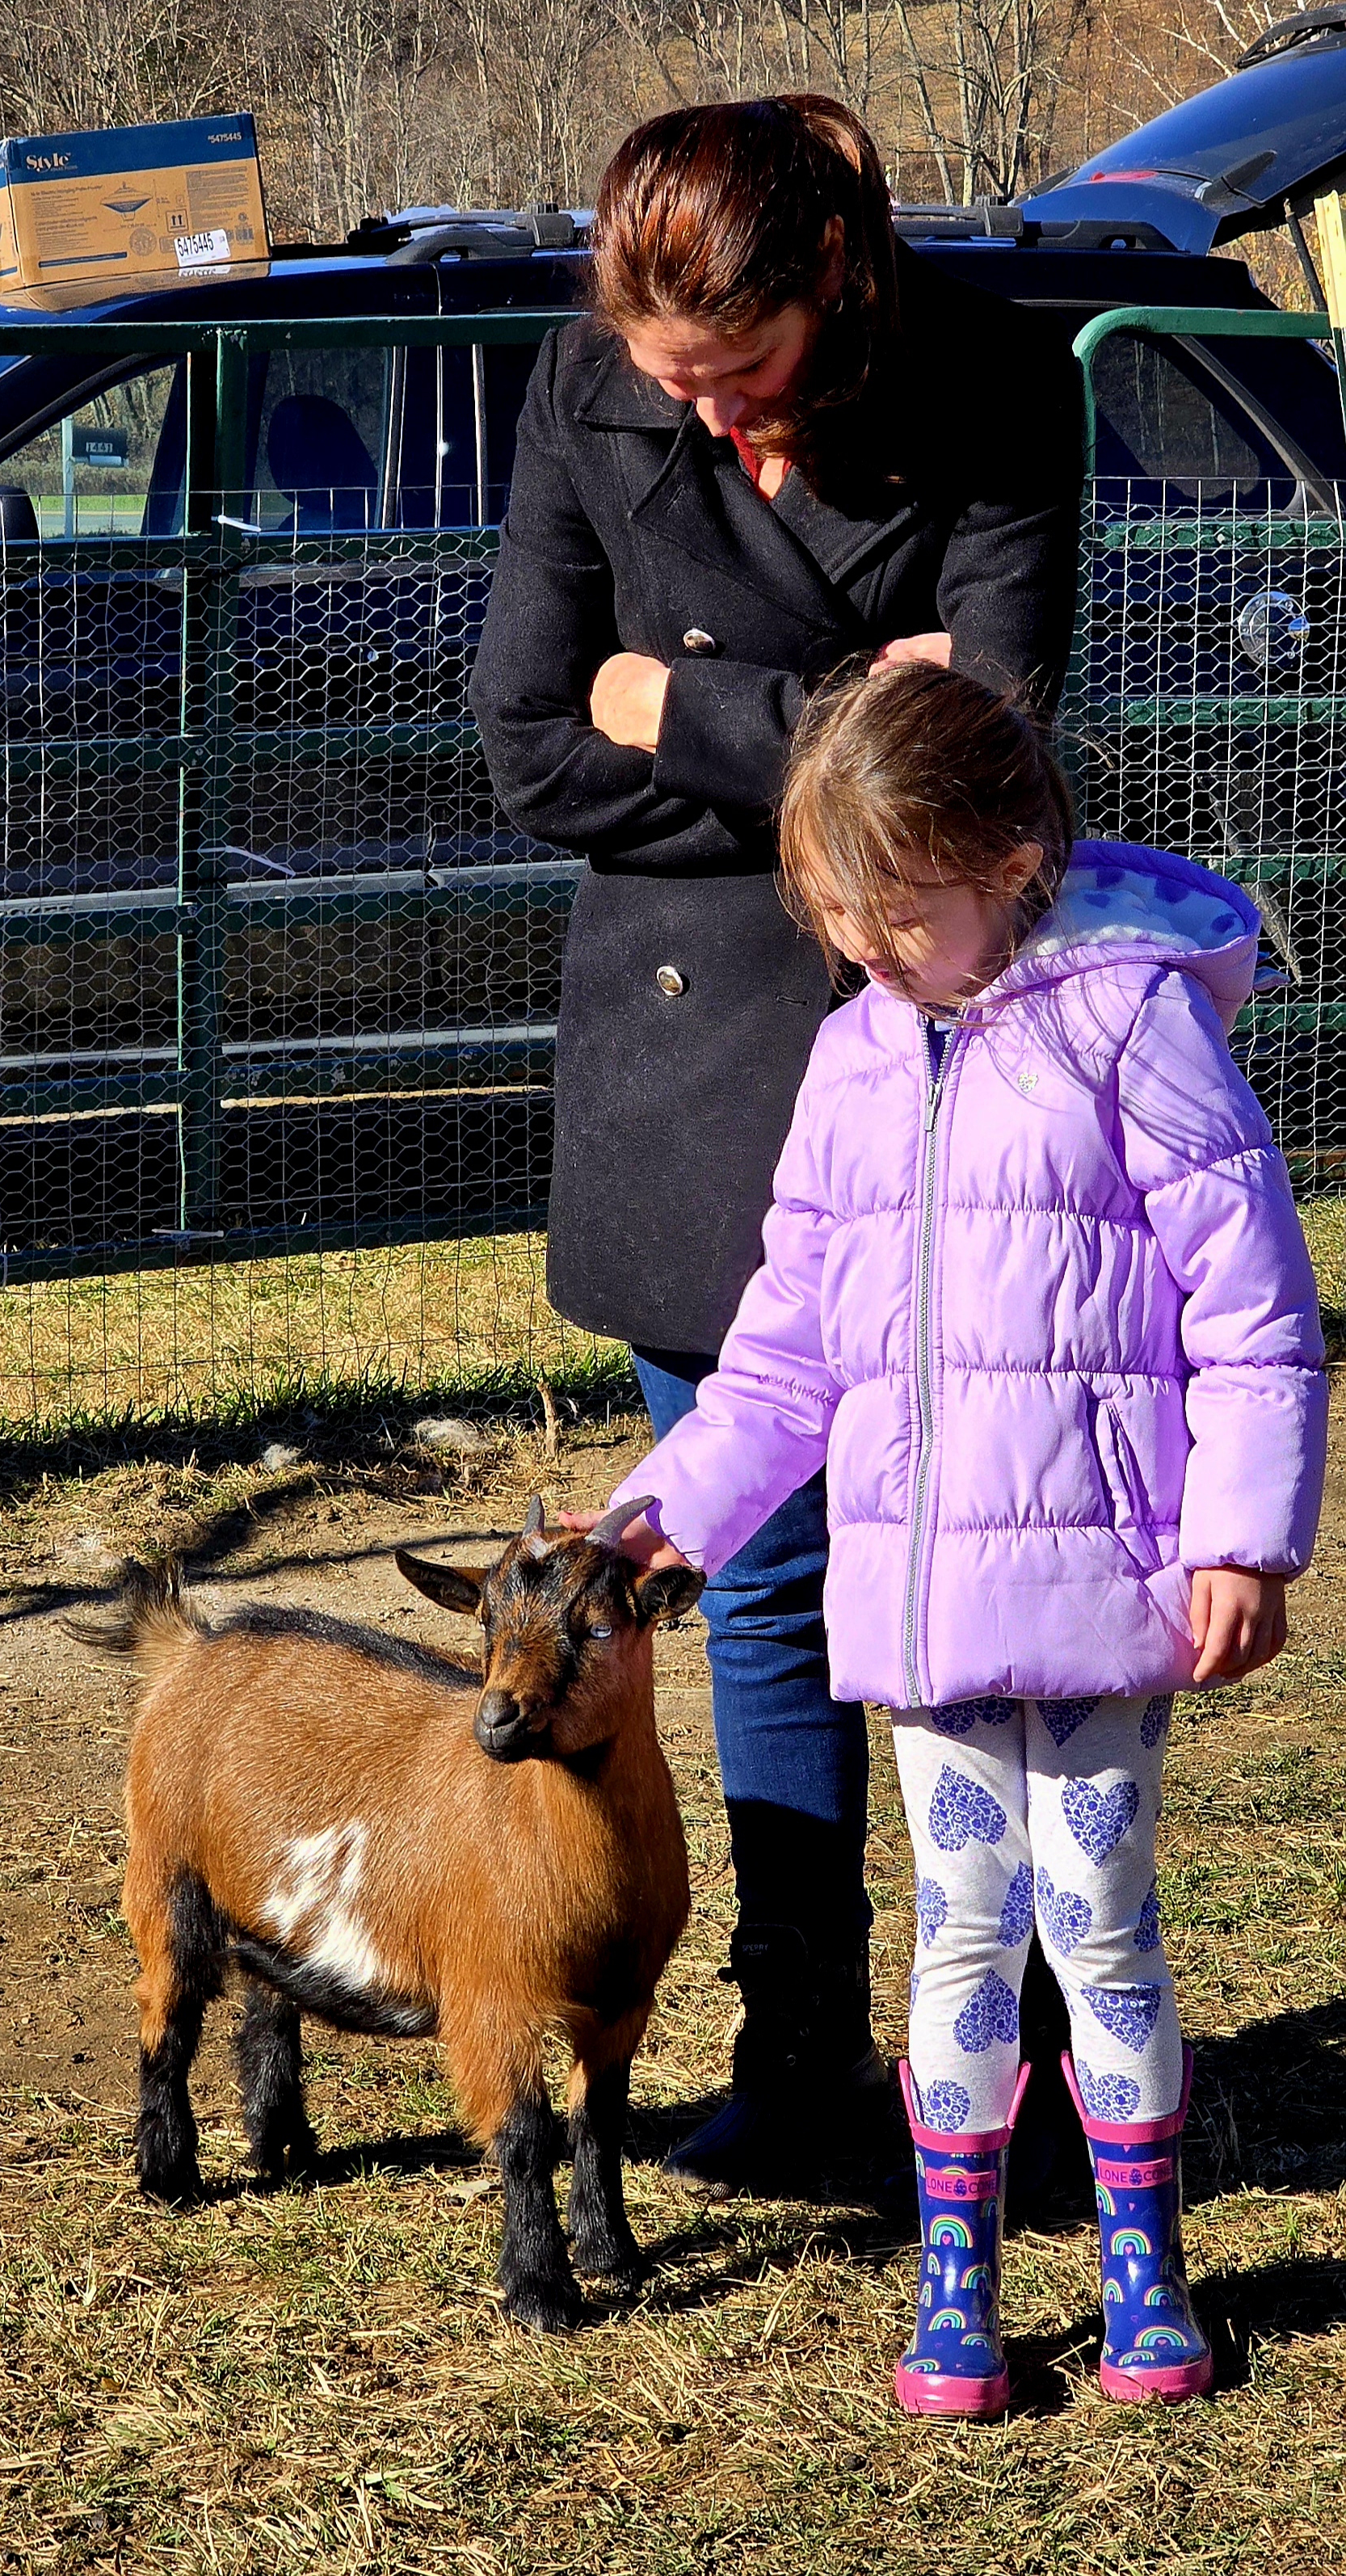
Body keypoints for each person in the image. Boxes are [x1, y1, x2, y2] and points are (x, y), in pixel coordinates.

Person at [572, 661, 1327, 2414]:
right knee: (961, 1933)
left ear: (1001, 850)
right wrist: (661, 1513)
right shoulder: (848, 1060)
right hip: (925, 1607)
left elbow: (1252, 1300)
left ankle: (1149, 2266)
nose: (865, 948)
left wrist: (1246, 1536)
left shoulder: (1136, 1024)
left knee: (1105, 1920)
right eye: (838, 917)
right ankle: (957, 2274)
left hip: (1100, 1594)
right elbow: (787, 1342)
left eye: (890, 909)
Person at [470, 95, 1086, 2188]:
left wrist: (692, 702)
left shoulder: (986, 382)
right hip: (682, 1065)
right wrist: (835, 721)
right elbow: (533, 736)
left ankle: (1026, 2036)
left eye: (731, 373)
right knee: (747, 1582)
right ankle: (808, 2048)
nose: (697, 411)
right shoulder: (593, 378)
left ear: (830, 284)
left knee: (994, 1564)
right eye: (664, 375)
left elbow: (981, 748)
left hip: (938, 1057)